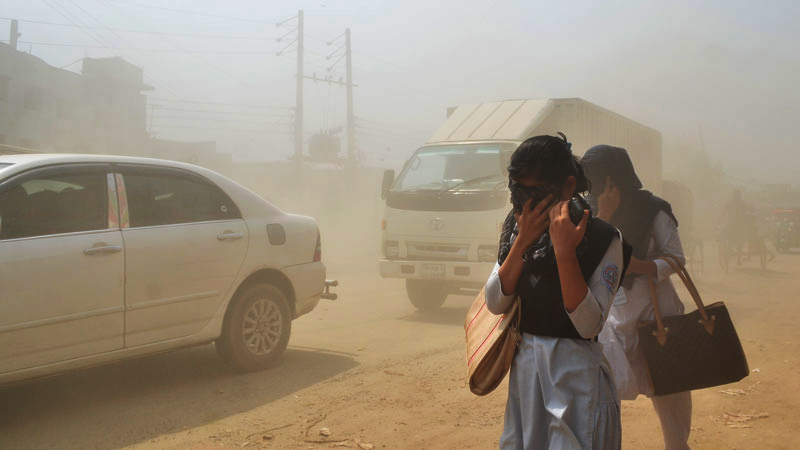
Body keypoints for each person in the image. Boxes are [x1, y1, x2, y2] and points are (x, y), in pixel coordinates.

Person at [485, 134, 630, 450]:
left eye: (535, 193)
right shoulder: (516, 230)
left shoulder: (604, 239)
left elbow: (588, 325)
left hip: (577, 384)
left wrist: (565, 253)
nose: (525, 205)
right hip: (527, 382)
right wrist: (522, 243)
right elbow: (496, 301)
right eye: (518, 192)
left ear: (567, 187)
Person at [582, 145, 693, 450]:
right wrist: (605, 212)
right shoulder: (590, 212)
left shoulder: (653, 209)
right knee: (604, 392)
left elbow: (676, 258)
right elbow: (585, 258)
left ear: (614, 178)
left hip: (657, 312)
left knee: (669, 392)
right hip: (613, 316)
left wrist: (640, 266)